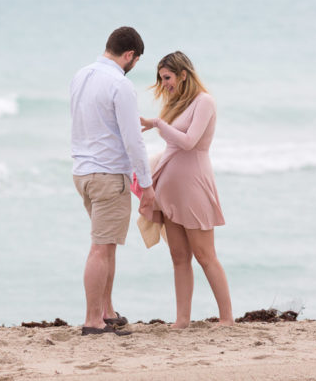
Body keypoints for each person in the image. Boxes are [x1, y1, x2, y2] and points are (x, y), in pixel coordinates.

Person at [70, 26, 155, 336]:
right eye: (136, 60)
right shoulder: (120, 85)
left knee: (107, 246)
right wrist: (146, 186)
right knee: (100, 247)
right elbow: (134, 141)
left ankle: (107, 311)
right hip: (108, 175)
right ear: (129, 55)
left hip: (82, 172)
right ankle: (93, 319)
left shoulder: (80, 76)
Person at [140, 51, 234, 328]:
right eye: (160, 79)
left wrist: (157, 123)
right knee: (178, 257)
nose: (164, 83)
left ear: (183, 74)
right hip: (169, 188)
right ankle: (182, 320)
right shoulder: (175, 103)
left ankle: (227, 318)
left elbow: (189, 142)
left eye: (167, 77)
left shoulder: (204, 102)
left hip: (194, 186)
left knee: (205, 255)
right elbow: (171, 144)